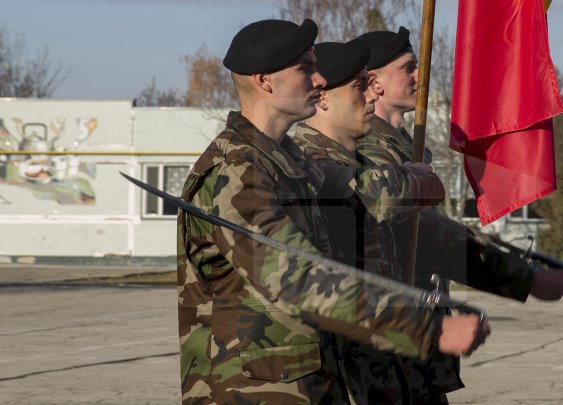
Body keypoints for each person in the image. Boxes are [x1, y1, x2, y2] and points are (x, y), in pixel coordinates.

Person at [176, 19, 490, 405]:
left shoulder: (289, 161)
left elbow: (360, 192)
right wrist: (421, 328)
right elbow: (297, 276)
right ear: (264, 81)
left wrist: (410, 181)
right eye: (305, 69)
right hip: (251, 390)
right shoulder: (237, 171)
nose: (320, 80)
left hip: (307, 381)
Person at [356, 27, 563, 404]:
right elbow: (426, 234)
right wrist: (521, 275)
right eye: (408, 68)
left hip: (415, 346)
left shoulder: (405, 148)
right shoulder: (367, 150)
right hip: (384, 347)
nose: (419, 76)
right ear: (374, 81)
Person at [293, 39, 460, 404]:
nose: (371, 96)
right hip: (352, 357)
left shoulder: (357, 157)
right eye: (359, 86)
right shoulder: (309, 160)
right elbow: (377, 197)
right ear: (322, 97)